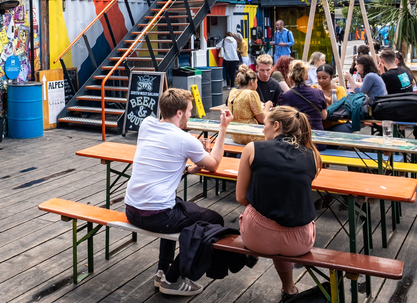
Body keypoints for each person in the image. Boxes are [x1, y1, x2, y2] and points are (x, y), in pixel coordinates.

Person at [124, 88, 233, 296]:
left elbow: (162, 156)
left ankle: (161, 271)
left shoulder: (146, 125)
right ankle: (172, 279)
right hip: (158, 216)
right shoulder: (185, 139)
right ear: (180, 113)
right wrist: (223, 128)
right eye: (189, 111)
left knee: (176, 204)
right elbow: (214, 164)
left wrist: (187, 168)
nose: (191, 115)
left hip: (132, 209)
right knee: (215, 220)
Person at [236, 106, 321, 300]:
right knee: (283, 215)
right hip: (300, 242)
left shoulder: (253, 149)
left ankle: (254, 255)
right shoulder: (313, 155)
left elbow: (241, 198)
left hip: (257, 238)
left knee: (264, 214)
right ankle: (289, 289)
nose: (262, 128)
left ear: (276, 125)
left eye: (264, 124)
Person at [279, 61, 327, 148]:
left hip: (296, 142)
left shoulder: (285, 96)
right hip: (317, 142)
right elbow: (324, 116)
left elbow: (283, 121)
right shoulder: (318, 93)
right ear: (307, 77)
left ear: (290, 78)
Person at [313, 64, 350, 133]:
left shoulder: (339, 90)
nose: (321, 80)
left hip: (337, 123)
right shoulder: (313, 89)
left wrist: (321, 95)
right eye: (318, 78)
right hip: (319, 123)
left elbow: (339, 107)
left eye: (324, 78)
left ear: (331, 77)